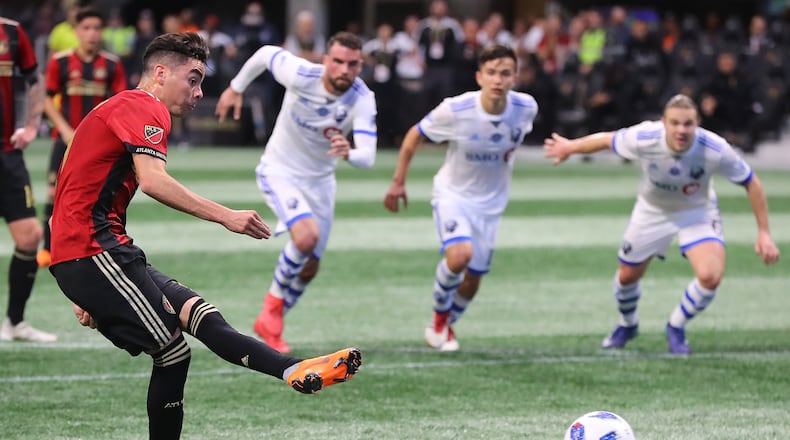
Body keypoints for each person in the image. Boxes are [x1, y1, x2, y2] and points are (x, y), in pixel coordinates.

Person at [48, 32, 361, 439]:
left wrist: (83, 288)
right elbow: (154, 182)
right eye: (193, 79)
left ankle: (291, 368)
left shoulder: (119, 106)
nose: (199, 92)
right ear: (160, 73)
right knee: (173, 351)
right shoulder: (144, 106)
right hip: (92, 252)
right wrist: (225, 216)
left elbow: (65, 199)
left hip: (99, 253)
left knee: (201, 313)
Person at [543, 94, 780, 355]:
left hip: (697, 212)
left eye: (688, 124)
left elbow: (751, 182)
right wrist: (570, 147)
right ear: (663, 123)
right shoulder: (645, 137)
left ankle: (676, 326)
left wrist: (764, 233)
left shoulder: (714, 148)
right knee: (627, 276)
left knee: (710, 276)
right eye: (675, 123)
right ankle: (628, 324)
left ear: (697, 123)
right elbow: (606, 139)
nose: (681, 130)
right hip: (651, 211)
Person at [215, 31, 377, 353]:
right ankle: (272, 306)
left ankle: (271, 322)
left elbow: (368, 157)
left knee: (310, 265)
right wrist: (235, 87)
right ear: (326, 60)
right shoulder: (301, 73)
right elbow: (264, 53)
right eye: (339, 62)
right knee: (305, 238)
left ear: (361, 65)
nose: (345, 70)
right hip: (280, 170)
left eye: (353, 64)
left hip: (321, 182)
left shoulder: (362, 98)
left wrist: (348, 153)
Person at [384, 45, 538, 351]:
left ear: (515, 77)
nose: (498, 80)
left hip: (491, 206)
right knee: (459, 256)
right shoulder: (456, 109)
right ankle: (439, 319)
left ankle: (448, 323)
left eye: (505, 73)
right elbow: (415, 134)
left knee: (472, 281)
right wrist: (398, 181)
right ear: (479, 76)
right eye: (491, 73)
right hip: (452, 195)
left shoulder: (526, 108)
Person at [38, 8, 128, 268]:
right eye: (86, 28)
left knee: (101, 196)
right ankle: (48, 250)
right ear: (76, 31)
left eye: (96, 29)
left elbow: (121, 103)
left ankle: (103, 246)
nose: (91, 34)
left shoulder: (111, 64)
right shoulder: (61, 61)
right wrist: (65, 129)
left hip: (99, 147)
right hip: (65, 141)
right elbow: (46, 99)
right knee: (54, 195)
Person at [0, 16, 55, 342]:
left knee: (30, 236)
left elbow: (35, 79)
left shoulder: (11, 31)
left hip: (7, 154)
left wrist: (33, 125)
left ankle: (15, 322)